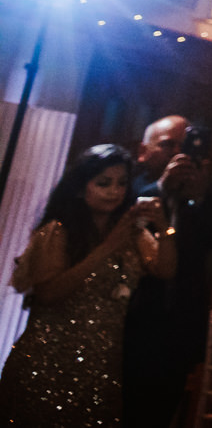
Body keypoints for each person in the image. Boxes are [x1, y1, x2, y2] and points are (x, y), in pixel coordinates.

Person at [0, 144, 173, 425]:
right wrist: (107, 248)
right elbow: (47, 294)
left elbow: (165, 270)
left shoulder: (133, 233)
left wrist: (165, 225)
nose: (114, 191)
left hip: (101, 365)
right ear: (81, 188)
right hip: (47, 361)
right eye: (103, 183)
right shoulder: (58, 232)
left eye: (121, 183)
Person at [124, 115, 212, 428]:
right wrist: (162, 188)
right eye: (167, 145)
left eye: (186, 147)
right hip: (126, 322)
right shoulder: (126, 185)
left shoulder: (208, 192)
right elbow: (121, 226)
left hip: (177, 331)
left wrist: (199, 197)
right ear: (143, 151)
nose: (179, 154)